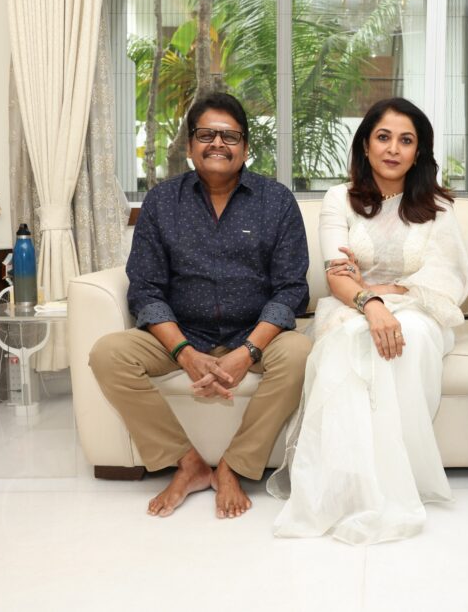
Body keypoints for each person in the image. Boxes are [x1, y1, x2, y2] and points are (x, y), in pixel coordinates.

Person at [89, 92, 311, 519]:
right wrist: (184, 353)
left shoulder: (276, 200)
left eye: (230, 136)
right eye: (206, 134)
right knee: (108, 354)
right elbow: (146, 290)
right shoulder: (161, 202)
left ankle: (234, 465)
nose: (218, 144)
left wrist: (248, 352)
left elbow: (290, 290)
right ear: (190, 145)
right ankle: (188, 463)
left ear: (245, 147)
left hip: (255, 333)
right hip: (181, 331)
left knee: (301, 353)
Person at [268, 97, 468, 545]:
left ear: (419, 152)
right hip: (351, 306)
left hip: (420, 310)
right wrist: (370, 302)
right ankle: (346, 483)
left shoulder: (438, 207)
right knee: (351, 339)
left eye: (406, 140)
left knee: (410, 335)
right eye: (383, 137)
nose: (393, 149)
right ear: (365, 145)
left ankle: (393, 483)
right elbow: (337, 275)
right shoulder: (338, 199)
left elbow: (447, 278)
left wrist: (380, 289)